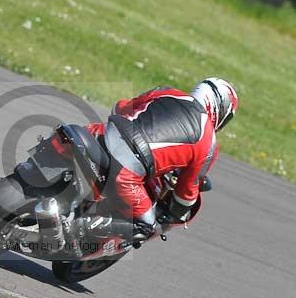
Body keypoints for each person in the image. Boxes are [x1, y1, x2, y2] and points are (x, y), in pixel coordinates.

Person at [67, 78, 239, 248]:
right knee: (147, 225)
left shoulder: (166, 92)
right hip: (126, 173)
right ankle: (80, 229)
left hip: (97, 135)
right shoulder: (208, 142)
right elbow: (186, 192)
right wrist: (176, 214)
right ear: (221, 110)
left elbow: (120, 108)